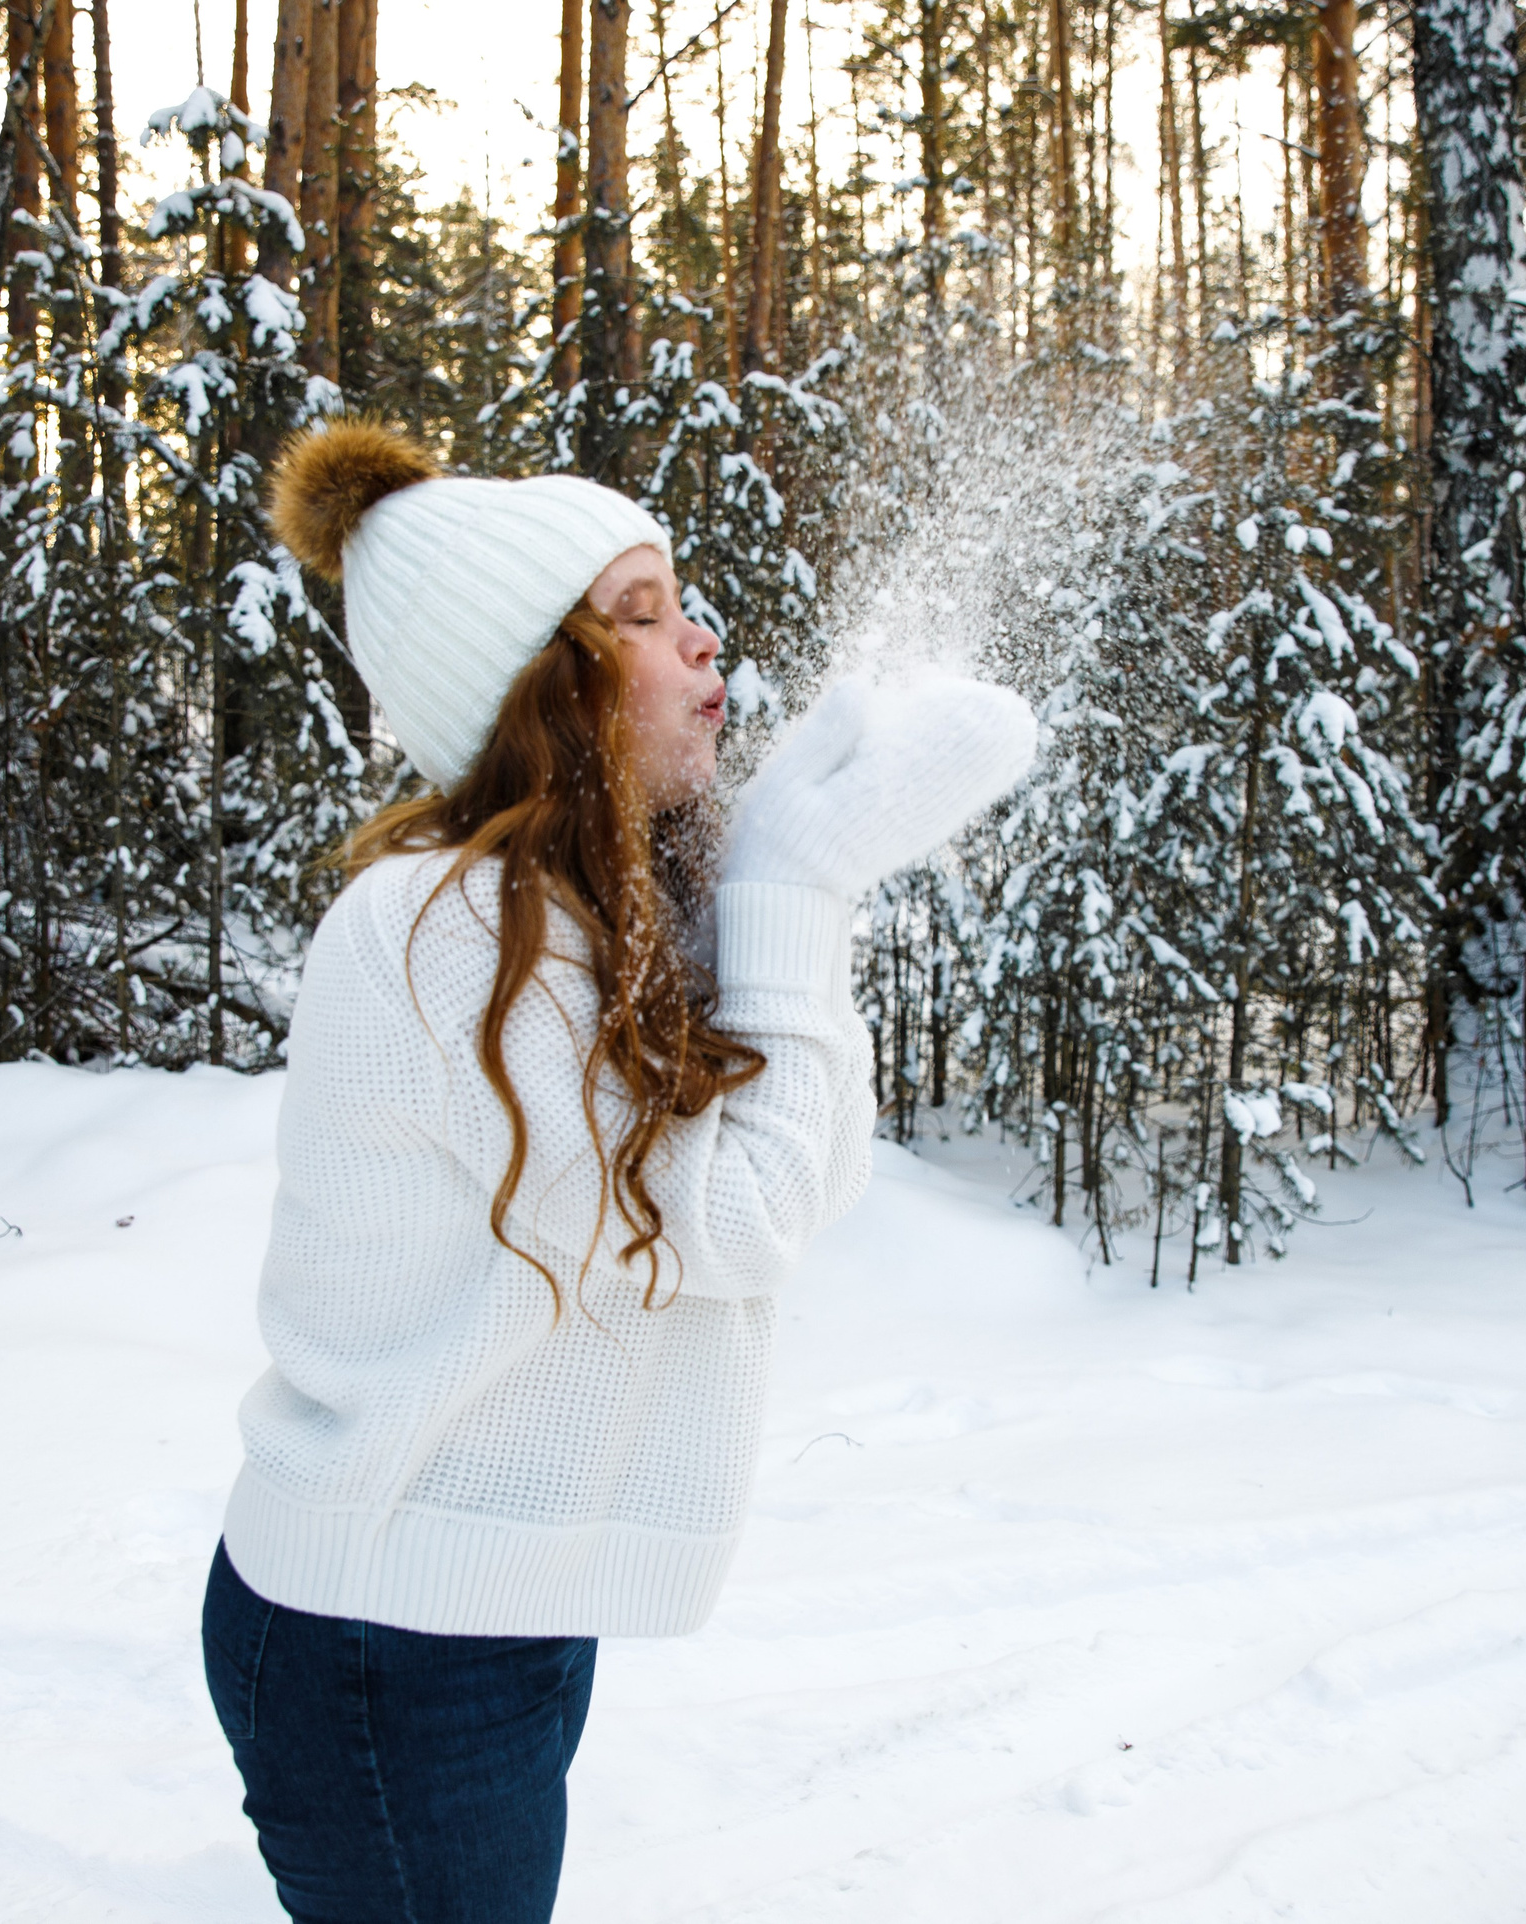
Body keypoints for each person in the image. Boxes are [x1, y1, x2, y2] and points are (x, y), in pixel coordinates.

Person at [203, 420, 1034, 1924]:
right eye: (639, 614)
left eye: (681, 599)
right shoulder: (444, 933)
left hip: (481, 1603)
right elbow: (739, 1219)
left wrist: (774, 879)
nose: (701, 635)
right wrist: (795, 883)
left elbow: (805, 1171)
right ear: (548, 685)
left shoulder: (574, 920)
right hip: (386, 1629)